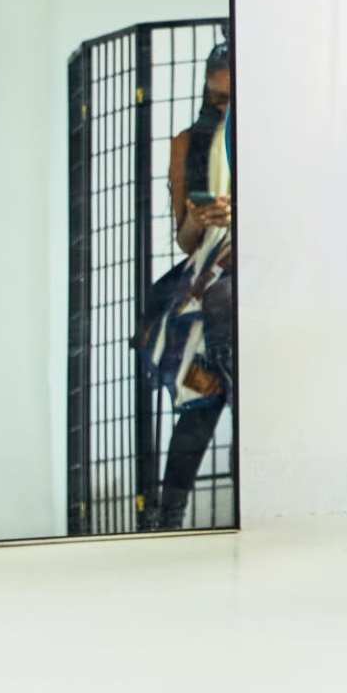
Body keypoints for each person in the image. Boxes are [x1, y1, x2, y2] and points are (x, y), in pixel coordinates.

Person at [137, 42, 233, 530]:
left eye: (233, 102)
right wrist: (200, 217)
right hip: (206, 278)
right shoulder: (186, 143)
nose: (224, 113)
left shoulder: (269, 134)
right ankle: (166, 516)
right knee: (200, 394)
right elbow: (183, 238)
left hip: (262, 280)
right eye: (216, 101)